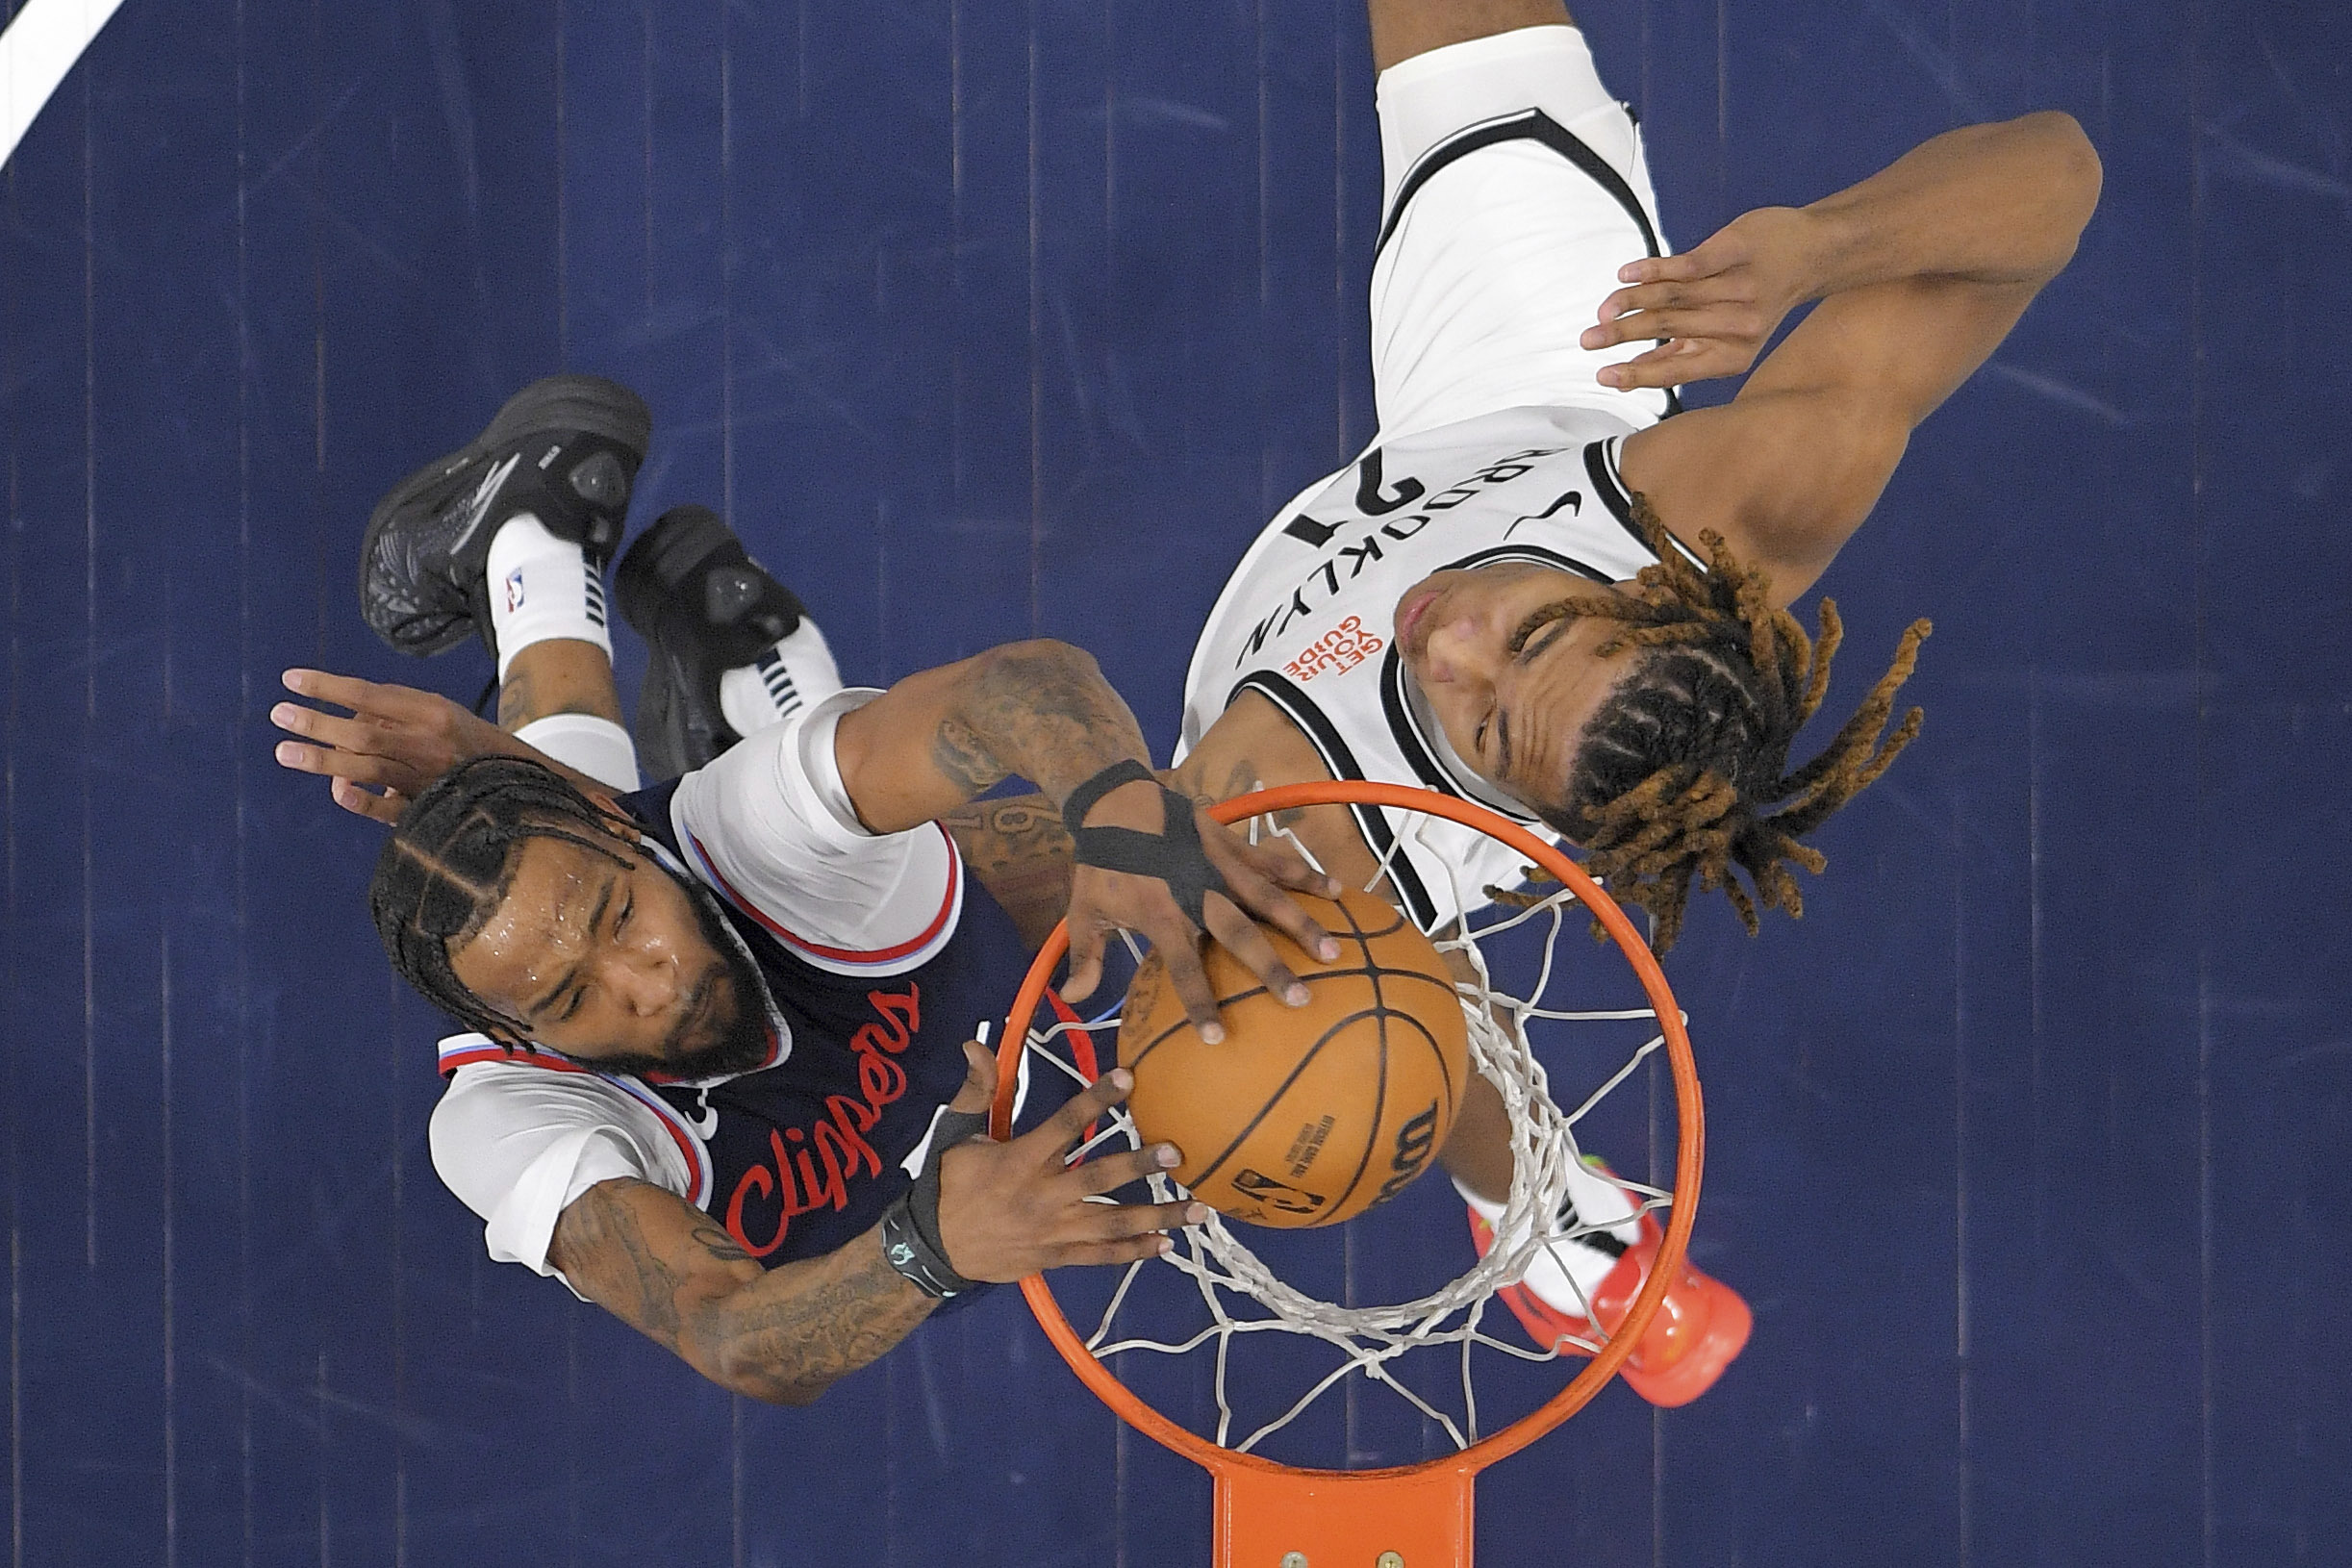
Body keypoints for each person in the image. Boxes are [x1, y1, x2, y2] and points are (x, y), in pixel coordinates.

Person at [963, 0, 2101, 1401]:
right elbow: (2058, 178)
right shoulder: (1733, 499)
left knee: (981, 886)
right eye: (1534, 630)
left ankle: (1551, 1220)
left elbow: (1043, 735)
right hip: (1526, 409)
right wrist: (1818, 247)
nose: (1450, 646)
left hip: (1327, 777)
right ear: (1644, 585)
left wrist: (1113, 832)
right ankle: (1558, 1221)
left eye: (1488, 723)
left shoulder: (1307, 833)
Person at [277, 378, 1349, 1404]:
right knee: (593, 874)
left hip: (788, 882)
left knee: (1122, 870)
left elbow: (1010, 691)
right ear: (512, 1034)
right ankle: (720, 652)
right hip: (773, 971)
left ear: (635, 834)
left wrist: (1118, 800)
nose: (642, 984)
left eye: (625, 921)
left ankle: (537, 541)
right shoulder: (510, 1118)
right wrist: (926, 1248)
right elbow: (724, 1332)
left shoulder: (742, 830)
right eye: (566, 1002)